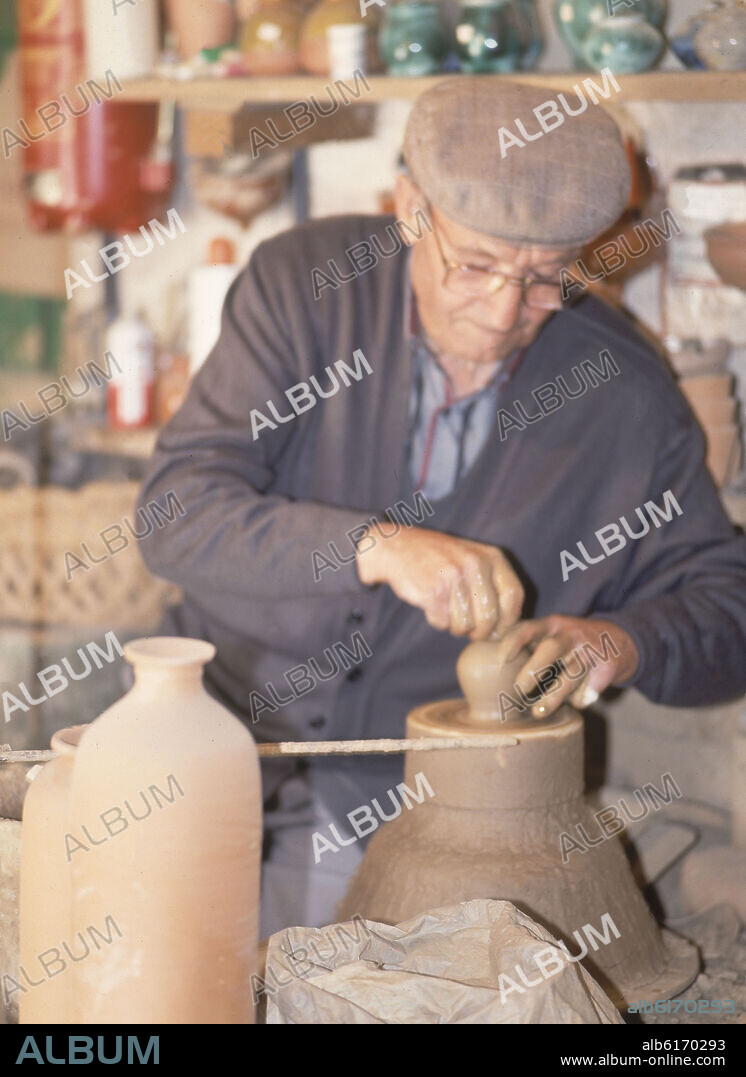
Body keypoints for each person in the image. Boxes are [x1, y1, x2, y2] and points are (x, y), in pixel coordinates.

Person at [137, 79, 746, 936]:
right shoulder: (305, 288)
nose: (503, 313)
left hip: (423, 819)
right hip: (217, 752)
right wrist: (376, 545)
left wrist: (617, 641)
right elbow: (176, 512)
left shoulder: (624, 393)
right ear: (410, 208)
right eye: (477, 265)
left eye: (546, 279)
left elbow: (729, 609)